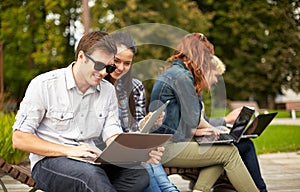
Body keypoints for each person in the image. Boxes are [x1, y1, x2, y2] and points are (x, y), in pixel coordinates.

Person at [12, 31, 163, 192]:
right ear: (81, 57)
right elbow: (20, 138)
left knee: (138, 175)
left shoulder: (108, 91)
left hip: (91, 161)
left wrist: (139, 151)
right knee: (91, 176)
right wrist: (69, 150)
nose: (105, 72)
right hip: (49, 162)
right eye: (99, 65)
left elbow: (112, 135)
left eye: (109, 67)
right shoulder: (44, 84)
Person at [150, 33, 259, 192]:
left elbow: (190, 121)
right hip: (165, 147)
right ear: (200, 56)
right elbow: (194, 120)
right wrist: (213, 129)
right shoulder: (182, 76)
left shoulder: (177, 73)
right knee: (229, 153)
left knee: (220, 147)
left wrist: (214, 132)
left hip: (171, 142)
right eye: (209, 57)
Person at [101, 31, 179, 192]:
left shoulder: (135, 87)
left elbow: (135, 128)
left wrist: (146, 122)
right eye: (116, 61)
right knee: (152, 175)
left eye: (127, 63)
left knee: (163, 182)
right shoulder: (98, 87)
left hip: (133, 149)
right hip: (110, 152)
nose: (121, 68)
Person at [203, 55, 268, 192]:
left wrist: (225, 126)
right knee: (246, 146)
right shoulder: (192, 92)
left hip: (203, 139)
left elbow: (202, 122)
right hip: (199, 144)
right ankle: (261, 190)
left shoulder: (194, 92)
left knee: (244, 142)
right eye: (215, 76)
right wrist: (226, 120)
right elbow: (198, 124)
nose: (215, 81)